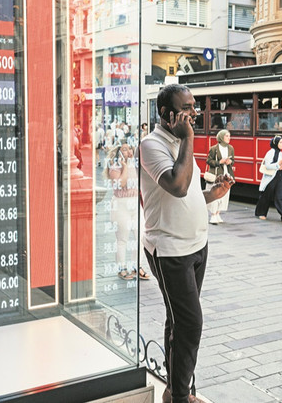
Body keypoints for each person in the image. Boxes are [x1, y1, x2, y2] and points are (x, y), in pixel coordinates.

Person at [138, 84, 233, 403]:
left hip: (196, 247)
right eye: (187, 108)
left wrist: (211, 196)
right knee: (191, 323)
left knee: (178, 321)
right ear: (166, 114)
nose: (195, 113)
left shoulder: (180, 142)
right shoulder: (152, 145)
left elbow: (188, 194)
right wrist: (189, 138)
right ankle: (181, 397)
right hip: (170, 251)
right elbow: (177, 186)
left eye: (195, 107)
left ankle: (178, 389)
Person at [104, 144, 142, 280]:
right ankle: (122, 268)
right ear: (118, 152)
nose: (128, 152)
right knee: (122, 239)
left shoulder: (135, 165)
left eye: (130, 148)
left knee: (140, 236)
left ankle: (136, 266)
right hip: (121, 205)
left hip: (134, 203)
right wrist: (124, 166)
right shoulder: (115, 167)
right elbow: (121, 184)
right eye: (124, 149)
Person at [255, 135, 282, 223]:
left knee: (280, 197)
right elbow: (268, 165)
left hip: (280, 177)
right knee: (266, 196)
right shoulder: (270, 153)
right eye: (280, 142)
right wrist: (278, 165)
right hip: (271, 177)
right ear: (275, 143)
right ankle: (261, 213)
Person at [205, 130, 235, 224]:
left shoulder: (231, 148)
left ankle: (218, 213)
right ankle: (213, 215)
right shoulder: (214, 148)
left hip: (227, 174)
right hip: (217, 174)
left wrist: (230, 162)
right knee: (215, 194)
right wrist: (219, 162)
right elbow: (209, 161)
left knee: (224, 195)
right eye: (226, 136)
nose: (229, 138)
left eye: (229, 136)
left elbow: (233, 160)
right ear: (221, 137)